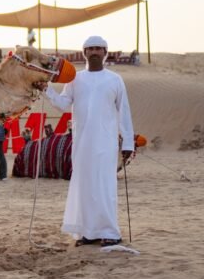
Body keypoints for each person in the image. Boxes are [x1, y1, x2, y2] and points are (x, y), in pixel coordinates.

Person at [35, 35, 134, 247]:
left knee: (104, 186)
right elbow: (62, 104)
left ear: (105, 53)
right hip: (82, 144)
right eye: (91, 49)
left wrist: (127, 143)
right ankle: (88, 233)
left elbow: (124, 112)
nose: (95, 52)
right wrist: (46, 90)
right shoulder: (75, 79)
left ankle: (110, 232)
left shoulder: (115, 79)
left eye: (99, 48)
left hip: (106, 144)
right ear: (85, 53)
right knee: (85, 187)